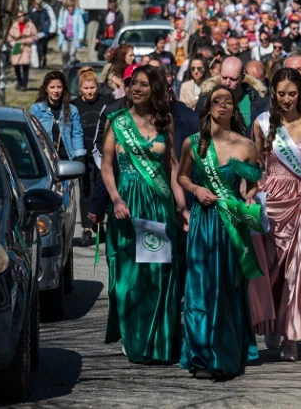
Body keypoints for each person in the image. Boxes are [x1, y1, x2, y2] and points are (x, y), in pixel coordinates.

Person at [100, 65, 188, 363]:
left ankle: (155, 341)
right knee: (128, 275)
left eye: (143, 84)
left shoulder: (165, 122)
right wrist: (115, 199)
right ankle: (131, 334)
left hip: (154, 205)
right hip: (126, 204)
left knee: (154, 273)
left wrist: (182, 208)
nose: (136, 88)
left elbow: (173, 168)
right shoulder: (116, 121)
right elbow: (106, 165)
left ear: (154, 90)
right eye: (133, 83)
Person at [178, 85, 263, 379]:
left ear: (234, 109)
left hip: (231, 223)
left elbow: (254, 180)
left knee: (227, 287)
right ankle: (202, 355)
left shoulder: (246, 145)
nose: (223, 105)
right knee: (200, 286)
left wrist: (250, 195)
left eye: (228, 101)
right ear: (208, 107)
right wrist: (197, 189)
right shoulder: (193, 143)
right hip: (203, 220)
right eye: (217, 101)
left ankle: (228, 351)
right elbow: (181, 176)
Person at [252, 68, 301, 362]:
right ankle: (273, 323)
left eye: (292, 94)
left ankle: (291, 337)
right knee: (273, 269)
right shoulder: (262, 124)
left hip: (300, 200)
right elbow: (254, 163)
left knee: (296, 271)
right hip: (269, 201)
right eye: (280, 94)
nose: (286, 99)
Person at [72, 68, 111, 246]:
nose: (89, 91)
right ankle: (87, 227)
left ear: (97, 87)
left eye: (92, 88)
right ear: (80, 88)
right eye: (86, 88)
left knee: (101, 188)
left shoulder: (106, 103)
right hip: (83, 152)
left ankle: (100, 223)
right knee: (85, 189)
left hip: (102, 153)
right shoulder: (74, 106)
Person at [30, 71, 85, 163]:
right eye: (52, 87)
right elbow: (31, 134)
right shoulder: (36, 109)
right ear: (46, 89)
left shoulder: (72, 110)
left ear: (64, 89)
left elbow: (77, 135)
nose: (56, 91)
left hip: (67, 158)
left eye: (59, 87)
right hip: (45, 159)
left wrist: (80, 157)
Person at [7, 11, 37, 92]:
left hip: (26, 46)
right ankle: (19, 82)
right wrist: (14, 44)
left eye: (22, 16)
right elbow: (10, 38)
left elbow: (35, 36)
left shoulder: (30, 25)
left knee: (25, 67)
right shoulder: (14, 26)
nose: (21, 18)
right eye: (19, 16)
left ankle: (24, 85)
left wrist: (27, 41)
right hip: (16, 46)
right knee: (16, 66)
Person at [57, 0, 86, 71]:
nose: (71, 9)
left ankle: (71, 68)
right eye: (69, 7)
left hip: (74, 38)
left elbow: (81, 25)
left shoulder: (77, 13)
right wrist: (61, 27)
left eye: (72, 7)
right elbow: (59, 22)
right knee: (64, 51)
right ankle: (65, 66)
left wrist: (80, 36)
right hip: (65, 37)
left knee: (72, 54)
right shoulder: (63, 12)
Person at [28, 0, 56, 68]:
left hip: (42, 32)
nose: (37, 6)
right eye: (36, 4)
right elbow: (28, 18)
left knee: (42, 47)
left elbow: (48, 20)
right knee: (35, 47)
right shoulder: (31, 11)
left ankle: (42, 59)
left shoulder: (44, 12)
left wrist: (48, 29)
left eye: (39, 4)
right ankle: (36, 62)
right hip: (34, 32)